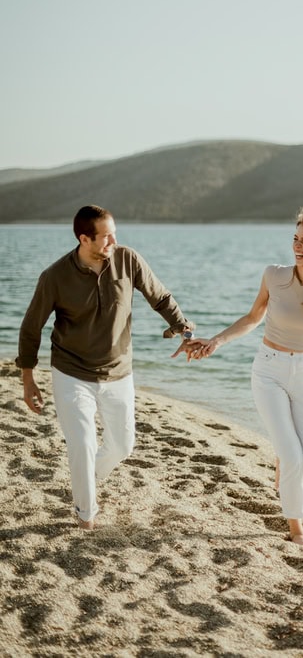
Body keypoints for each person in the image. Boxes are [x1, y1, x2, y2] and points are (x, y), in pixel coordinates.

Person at [172, 210, 303, 548]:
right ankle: (297, 529)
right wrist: (217, 340)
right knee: (293, 457)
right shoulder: (274, 275)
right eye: (295, 239)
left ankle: (283, 460)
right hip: (269, 371)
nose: (297, 246)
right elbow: (252, 317)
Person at [16, 205, 193, 531]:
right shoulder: (55, 277)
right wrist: (28, 379)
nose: (114, 240)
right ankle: (86, 515)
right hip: (71, 372)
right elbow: (31, 328)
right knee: (82, 443)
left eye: (114, 233)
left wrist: (183, 328)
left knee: (123, 446)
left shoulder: (128, 259)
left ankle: (88, 477)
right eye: (106, 236)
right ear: (84, 239)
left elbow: (160, 297)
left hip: (118, 371)